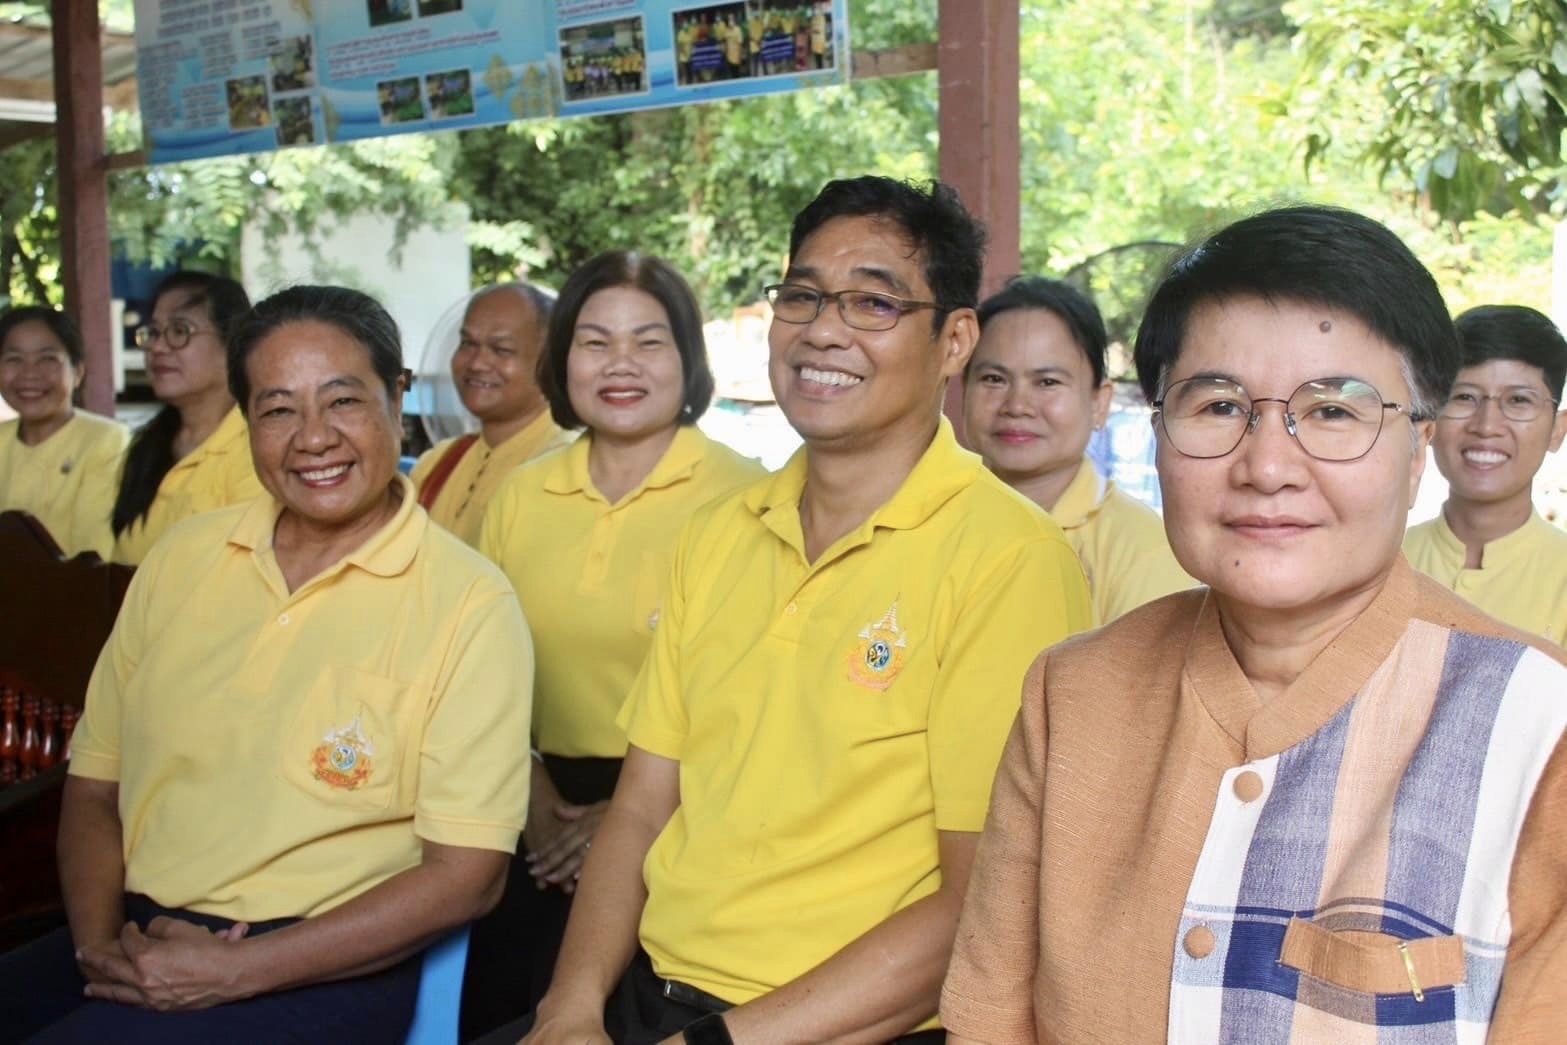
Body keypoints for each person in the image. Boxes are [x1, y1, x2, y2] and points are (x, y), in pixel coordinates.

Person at [941, 206, 1567, 1043]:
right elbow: (989, 1020)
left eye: (1335, 412)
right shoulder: (1072, 692)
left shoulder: (1540, 730)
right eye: (1217, 405)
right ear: (1155, 430)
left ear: (1418, 449)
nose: (1267, 466)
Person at [514, 177, 1091, 1045]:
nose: (823, 329)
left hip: (845, 1024)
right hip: (651, 996)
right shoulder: (718, 532)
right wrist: (568, 1010)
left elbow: (982, 900)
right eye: (802, 294)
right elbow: (639, 808)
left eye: (873, 301)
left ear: (953, 341)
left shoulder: (1010, 559)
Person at [0, 285, 533, 1043]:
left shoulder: (468, 603)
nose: (312, 438)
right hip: (137, 932)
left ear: (396, 394)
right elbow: (92, 788)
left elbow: (468, 877)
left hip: (321, 961)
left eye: (342, 401)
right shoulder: (184, 558)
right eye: (278, 409)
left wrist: (236, 971)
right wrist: (100, 948)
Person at [463, 251, 764, 1039]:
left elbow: (752, 701)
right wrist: (531, 798)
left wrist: (620, 818)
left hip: (683, 815)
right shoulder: (521, 493)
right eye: (595, 342)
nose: (620, 364)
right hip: (527, 810)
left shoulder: (746, 497)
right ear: (561, 360)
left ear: (687, 359)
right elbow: (479, 674)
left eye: (648, 341)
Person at [962, 276, 1193, 623]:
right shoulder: (922, 520)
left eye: (1047, 382)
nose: (1017, 405)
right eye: (994, 379)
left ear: (1100, 403)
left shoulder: (1144, 550)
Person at [1403, 304, 1567, 645]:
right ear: (1431, 418)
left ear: (1557, 430)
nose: (1487, 426)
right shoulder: (1383, 561)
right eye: (1464, 397)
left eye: (1519, 400)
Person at [111, 271, 262, 565]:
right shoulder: (146, 447)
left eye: (180, 331)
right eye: (153, 332)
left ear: (232, 342)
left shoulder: (257, 448)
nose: (157, 347)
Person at [409, 283, 571, 547]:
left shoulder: (567, 466)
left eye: (501, 350)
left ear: (549, 362)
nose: (476, 363)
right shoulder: (440, 462)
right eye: (468, 343)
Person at [0, 306, 127, 558]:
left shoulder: (105, 441)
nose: (29, 374)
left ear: (78, 371)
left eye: (47, 359)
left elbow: (92, 555)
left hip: (70, 593)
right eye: (14, 359)